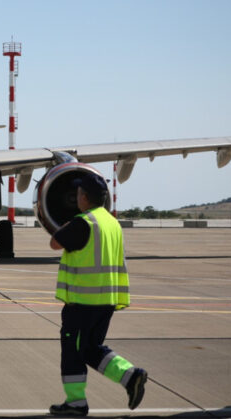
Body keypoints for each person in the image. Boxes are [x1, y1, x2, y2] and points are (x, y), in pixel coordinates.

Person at [48, 174, 147, 416]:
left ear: (84, 197)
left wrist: (70, 220)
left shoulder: (85, 222)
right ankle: (129, 376)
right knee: (91, 349)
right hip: (106, 300)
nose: (77, 198)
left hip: (83, 302)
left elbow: (55, 243)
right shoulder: (112, 223)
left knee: (73, 351)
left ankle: (76, 402)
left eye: (78, 194)